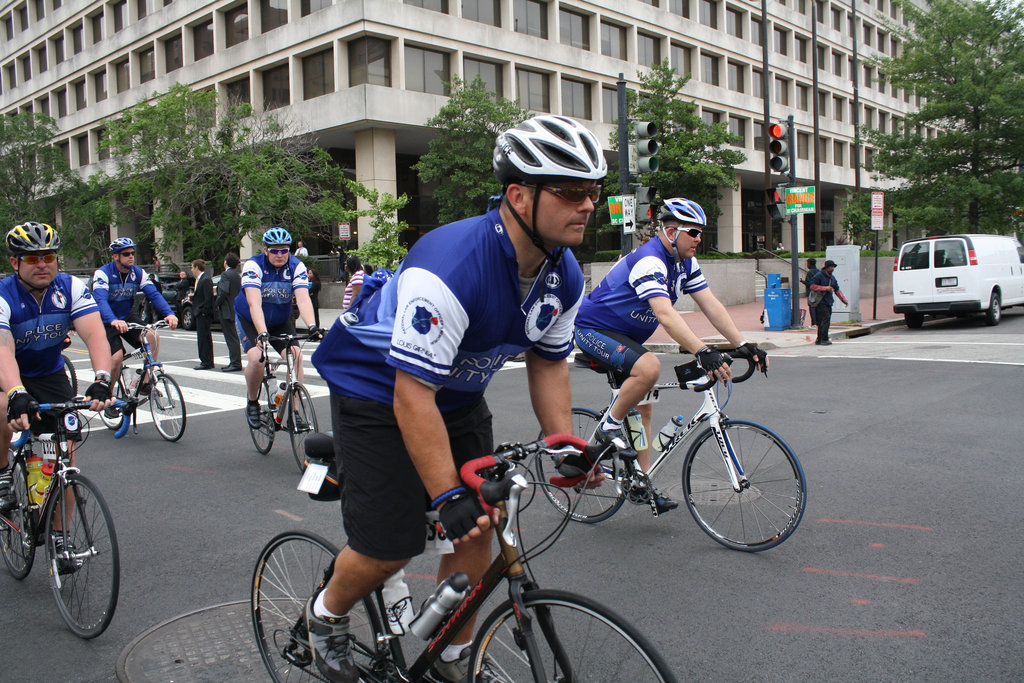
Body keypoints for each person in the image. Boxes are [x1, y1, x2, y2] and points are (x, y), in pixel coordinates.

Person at [306, 114, 607, 682]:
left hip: (457, 397)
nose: (588, 204)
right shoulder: (451, 266)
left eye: (592, 191)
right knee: (389, 548)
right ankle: (325, 616)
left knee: (481, 530)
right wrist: (446, 494)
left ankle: (448, 654)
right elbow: (411, 395)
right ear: (519, 195)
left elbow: (547, 363)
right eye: (570, 191)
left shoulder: (563, 273)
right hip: (378, 392)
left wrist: (563, 443)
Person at [574, 197, 768, 514]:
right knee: (649, 367)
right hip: (593, 330)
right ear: (671, 231)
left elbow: (711, 305)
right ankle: (608, 426)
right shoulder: (650, 260)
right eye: (693, 232)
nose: (699, 239)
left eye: (702, 232)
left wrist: (742, 344)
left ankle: (641, 480)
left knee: (645, 406)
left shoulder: (685, 263)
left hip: (626, 338)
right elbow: (665, 315)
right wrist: (703, 351)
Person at [0, 223, 114, 537]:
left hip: (48, 373)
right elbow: (3, 350)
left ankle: (60, 537)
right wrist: (15, 392)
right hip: (8, 372)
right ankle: (2, 478)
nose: (43, 264)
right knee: (1, 405)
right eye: (33, 258)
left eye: (48, 256)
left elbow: (94, 335)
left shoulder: (70, 288)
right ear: (15, 263)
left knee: (65, 456)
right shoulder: (3, 294)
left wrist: (103, 379)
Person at [235, 227, 322, 429]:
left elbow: (302, 298)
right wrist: (262, 333)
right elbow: (254, 304)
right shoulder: (253, 265)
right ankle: (252, 401)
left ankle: (296, 412)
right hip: (251, 319)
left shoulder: (296, 266)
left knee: (297, 357)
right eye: (275, 250)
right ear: (266, 250)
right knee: (257, 359)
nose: (280, 255)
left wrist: (312, 326)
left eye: (284, 250)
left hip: (280, 320)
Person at [91, 238, 179, 397]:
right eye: (126, 254)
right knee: (116, 358)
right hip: (106, 320)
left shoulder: (138, 273)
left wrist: (169, 313)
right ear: (115, 256)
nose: (131, 256)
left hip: (126, 316)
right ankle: (108, 396)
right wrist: (113, 320)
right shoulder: (103, 273)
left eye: (132, 253)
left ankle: (146, 383)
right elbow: (100, 300)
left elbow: (154, 294)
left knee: (153, 336)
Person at [809, 259, 848, 346]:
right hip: (820, 302)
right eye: (831, 267)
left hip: (828, 301)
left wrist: (844, 300)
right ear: (826, 268)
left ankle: (820, 339)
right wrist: (825, 288)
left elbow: (837, 290)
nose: (832, 268)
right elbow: (812, 286)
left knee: (823, 320)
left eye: (833, 267)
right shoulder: (819, 275)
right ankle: (824, 339)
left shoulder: (832, 278)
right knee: (825, 320)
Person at [215, 253, 242, 371]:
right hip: (234, 308)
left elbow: (224, 291)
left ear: (226, 262)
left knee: (231, 337)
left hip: (226, 309)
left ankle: (235, 363)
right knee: (233, 337)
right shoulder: (237, 275)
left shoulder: (226, 275)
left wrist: (217, 303)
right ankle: (235, 361)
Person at [191, 259, 215, 369]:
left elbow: (208, 298)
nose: (191, 270)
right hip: (199, 312)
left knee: (204, 338)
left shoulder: (205, 279)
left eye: (192, 267)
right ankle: (206, 360)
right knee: (202, 337)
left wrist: (204, 311)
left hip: (203, 313)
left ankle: (206, 361)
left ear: (196, 267)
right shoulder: (199, 279)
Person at [802, 258, 820, 326]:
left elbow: (809, 283)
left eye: (807, 263)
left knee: (812, 307)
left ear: (809, 264)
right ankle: (817, 321)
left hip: (811, 292)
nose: (807, 265)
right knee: (817, 307)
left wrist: (803, 282)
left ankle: (814, 322)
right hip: (818, 292)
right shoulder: (818, 271)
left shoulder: (810, 272)